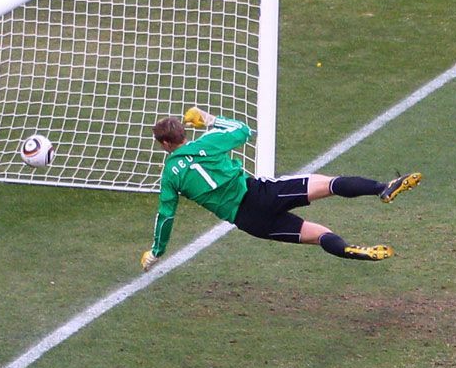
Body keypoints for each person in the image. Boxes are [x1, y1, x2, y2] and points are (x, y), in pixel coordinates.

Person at [140, 107, 422, 271]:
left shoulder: (169, 177)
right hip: (260, 193)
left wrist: (156, 251)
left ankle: (350, 249)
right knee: (329, 184)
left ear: (165, 145)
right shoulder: (208, 143)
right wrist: (209, 119)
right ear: (184, 134)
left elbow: (166, 216)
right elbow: (242, 130)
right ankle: (382, 188)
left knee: (318, 234)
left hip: (249, 221)